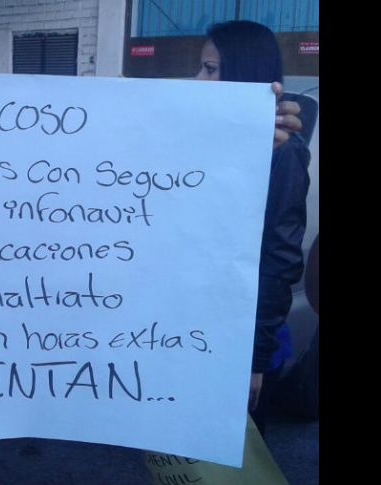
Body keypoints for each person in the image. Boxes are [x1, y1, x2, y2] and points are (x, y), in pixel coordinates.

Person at [196, 20, 311, 434]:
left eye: (211, 69)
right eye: (201, 68)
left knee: (236, 453)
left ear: (244, 75)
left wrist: (254, 362)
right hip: (195, 332)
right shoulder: (201, 141)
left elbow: (278, 261)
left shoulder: (282, 151)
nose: (199, 79)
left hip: (241, 342)